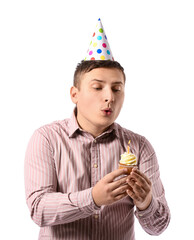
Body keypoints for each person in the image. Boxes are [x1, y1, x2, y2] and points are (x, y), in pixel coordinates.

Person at [25, 19, 170, 240]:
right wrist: (93, 198)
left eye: (117, 89)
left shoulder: (139, 147)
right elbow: (39, 209)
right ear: (74, 94)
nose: (109, 97)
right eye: (97, 87)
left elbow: (158, 227)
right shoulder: (46, 138)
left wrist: (145, 201)